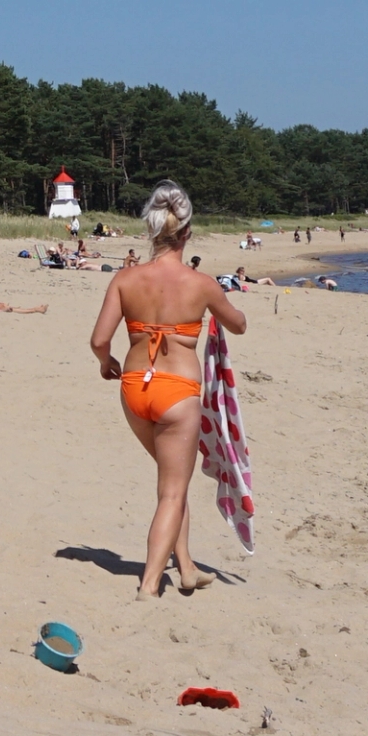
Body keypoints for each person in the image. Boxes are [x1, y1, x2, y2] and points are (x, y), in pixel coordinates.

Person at [88, 183, 245, 600]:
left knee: (170, 483)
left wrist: (107, 364)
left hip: (134, 390)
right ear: (187, 232)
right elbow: (238, 323)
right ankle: (150, 585)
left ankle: (188, 568)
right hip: (177, 391)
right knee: (172, 491)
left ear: (150, 230)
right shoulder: (201, 283)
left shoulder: (125, 279)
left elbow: (100, 340)